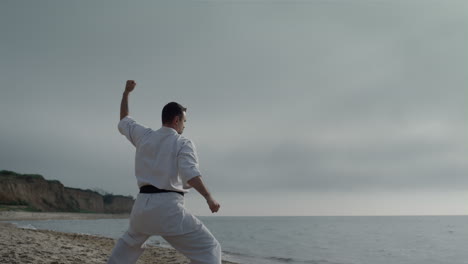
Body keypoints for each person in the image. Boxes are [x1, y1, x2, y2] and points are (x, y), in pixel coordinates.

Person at [107, 80, 222, 264]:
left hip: (141, 208)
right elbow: (190, 173)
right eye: (184, 121)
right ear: (177, 120)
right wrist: (209, 197)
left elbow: (124, 120)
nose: (184, 126)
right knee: (209, 248)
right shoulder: (182, 142)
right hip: (167, 209)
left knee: (126, 249)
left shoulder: (144, 136)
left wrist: (126, 93)